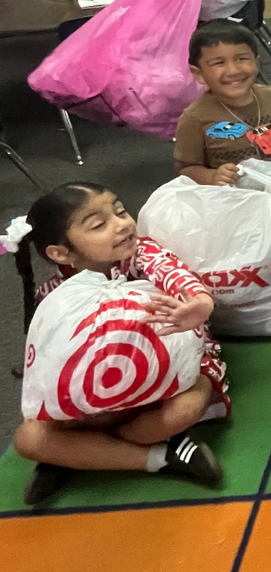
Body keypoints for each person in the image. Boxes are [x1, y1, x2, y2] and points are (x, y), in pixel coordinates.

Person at [6, 183, 229, 505]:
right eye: (99, 224)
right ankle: (160, 456)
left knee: (185, 409)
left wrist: (200, 304)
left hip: (175, 377)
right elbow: (51, 365)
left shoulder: (142, 256)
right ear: (60, 253)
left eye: (120, 210)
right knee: (28, 439)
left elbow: (176, 276)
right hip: (99, 398)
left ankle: (85, 454)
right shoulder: (54, 295)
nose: (122, 223)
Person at [175, 20, 271, 192]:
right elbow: (187, 168)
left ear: (256, 64)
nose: (233, 70)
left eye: (242, 59)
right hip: (234, 200)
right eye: (218, 63)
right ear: (198, 73)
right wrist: (213, 176)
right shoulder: (195, 117)